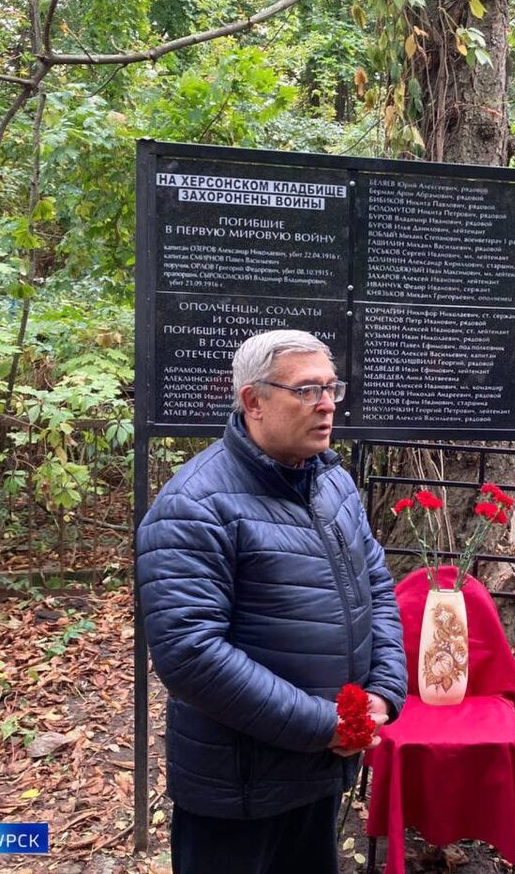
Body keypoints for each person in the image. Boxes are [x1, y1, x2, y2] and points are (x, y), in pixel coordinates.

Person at [136, 330, 407, 874]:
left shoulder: (332, 482)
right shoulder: (194, 505)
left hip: (319, 772)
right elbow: (190, 654)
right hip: (239, 789)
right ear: (253, 401)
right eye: (307, 390)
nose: (327, 403)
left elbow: (375, 587)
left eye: (332, 387)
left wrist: (383, 689)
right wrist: (323, 727)